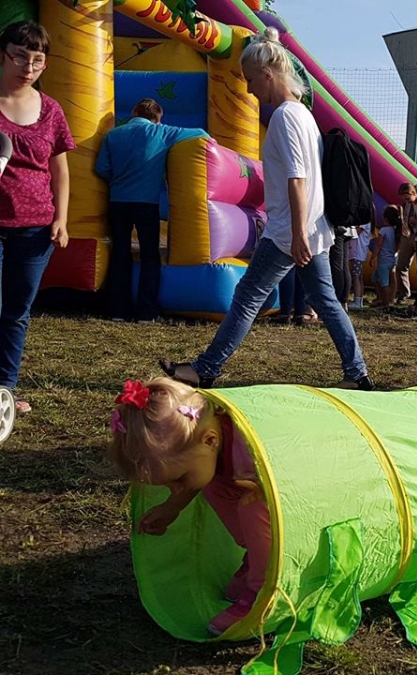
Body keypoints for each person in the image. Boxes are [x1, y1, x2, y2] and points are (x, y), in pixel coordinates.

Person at [160, 28, 373, 391]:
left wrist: (296, 233)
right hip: (313, 227)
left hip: (289, 230)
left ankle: (206, 369)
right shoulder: (304, 114)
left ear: (268, 75)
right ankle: (357, 374)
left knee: (247, 297)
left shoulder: (285, 117)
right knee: (326, 301)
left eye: (250, 79)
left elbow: (297, 177)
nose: (248, 88)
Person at [108, 378, 270, 636]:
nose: (175, 489)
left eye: (179, 479)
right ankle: (256, 555)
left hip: (289, 488)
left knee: (253, 508)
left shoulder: (245, 447)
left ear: (210, 441)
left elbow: (294, 469)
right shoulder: (203, 442)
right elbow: (198, 475)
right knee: (213, 485)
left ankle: (264, 591)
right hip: (241, 480)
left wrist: (264, 488)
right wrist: (172, 507)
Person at [0, 21, 75, 415]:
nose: (27, 67)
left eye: (37, 60)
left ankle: (4, 392)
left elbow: (60, 169)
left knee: (16, 312)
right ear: (3, 55)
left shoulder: (51, 110)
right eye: (19, 57)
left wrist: (61, 219)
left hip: (35, 229)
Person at [95, 98, 207, 322]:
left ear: (134, 112)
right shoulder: (161, 132)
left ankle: (117, 311)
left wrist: (117, 181)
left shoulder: (113, 135)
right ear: (157, 118)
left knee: (119, 254)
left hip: (118, 201)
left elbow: (101, 168)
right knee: (149, 256)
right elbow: (201, 133)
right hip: (146, 203)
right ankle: (147, 312)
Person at [397, 182, 417, 302]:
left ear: (413, 193)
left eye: (407, 198)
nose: (406, 201)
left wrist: (415, 221)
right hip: (408, 234)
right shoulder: (407, 204)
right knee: (401, 265)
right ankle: (404, 292)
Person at [369, 206, 398, 308]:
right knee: (374, 278)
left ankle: (386, 302)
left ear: (385, 219)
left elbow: (378, 245)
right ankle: (381, 298)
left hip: (384, 261)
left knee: (384, 282)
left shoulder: (383, 230)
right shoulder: (396, 231)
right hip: (392, 260)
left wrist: (373, 257)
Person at [347, 221, 370, 309]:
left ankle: (357, 301)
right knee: (359, 276)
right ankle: (359, 299)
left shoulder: (364, 222)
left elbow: (356, 233)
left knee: (356, 276)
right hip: (358, 252)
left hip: (358, 252)